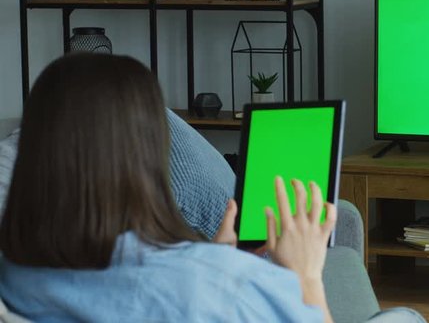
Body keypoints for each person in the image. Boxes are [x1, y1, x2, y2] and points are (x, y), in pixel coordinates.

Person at [0, 53, 336, 322]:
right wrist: (306, 277)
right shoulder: (227, 287)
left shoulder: (15, 277)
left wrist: (213, 262)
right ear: (151, 151)